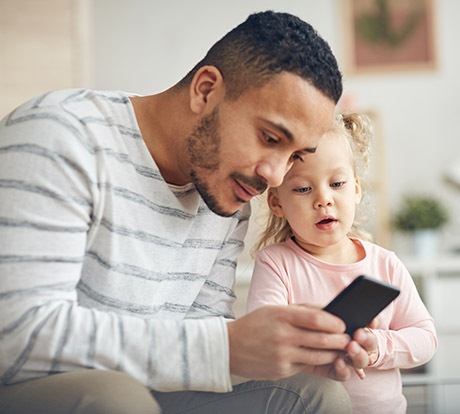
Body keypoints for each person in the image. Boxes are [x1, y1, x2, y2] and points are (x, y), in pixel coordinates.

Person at [0, 11, 376, 414]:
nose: (273, 174)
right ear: (205, 90)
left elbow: (196, 339)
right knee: (117, 400)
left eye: (294, 156)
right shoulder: (62, 134)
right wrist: (225, 347)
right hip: (30, 383)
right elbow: (18, 333)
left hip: (148, 387)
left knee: (314, 394)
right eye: (269, 138)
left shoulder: (229, 195)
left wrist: (291, 348)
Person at [246, 113, 438, 413]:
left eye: (336, 183)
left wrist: (377, 346)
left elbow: (425, 339)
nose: (323, 199)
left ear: (357, 189)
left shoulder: (385, 263)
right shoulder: (275, 263)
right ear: (276, 202)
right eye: (302, 189)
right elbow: (262, 340)